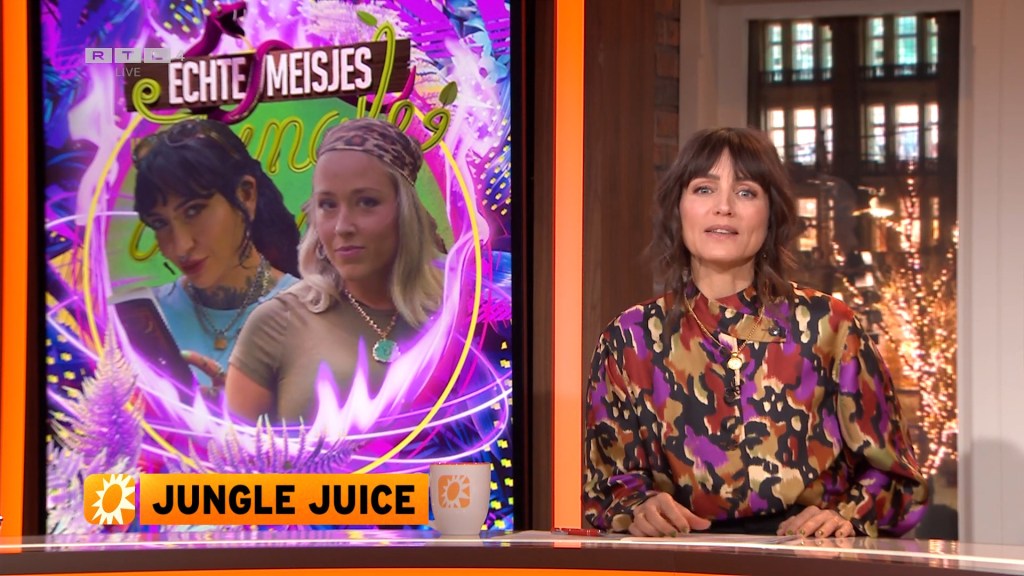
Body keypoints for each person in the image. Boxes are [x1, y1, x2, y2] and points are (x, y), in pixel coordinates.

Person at [582, 127, 928, 538]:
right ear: (678, 208)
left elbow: (898, 479)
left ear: (771, 214)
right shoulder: (629, 339)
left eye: (745, 192)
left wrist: (848, 516)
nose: (723, 207)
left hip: (809, 555)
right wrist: (639, 508)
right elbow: (605, 490)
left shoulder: (829, 327)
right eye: (704, 189)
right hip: (680, 555)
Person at [226, 117, 445, 423]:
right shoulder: (276, 322)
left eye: (366, 202)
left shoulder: (458, 311)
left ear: (405, 212)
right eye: (328, 205)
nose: (342, 227)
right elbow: (227, 451)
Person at [132, 118, 301, 391]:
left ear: (246, 195)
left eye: (194, 210)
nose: (181, 247)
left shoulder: (313, 315)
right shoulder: (143, 319)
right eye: (160, 223)